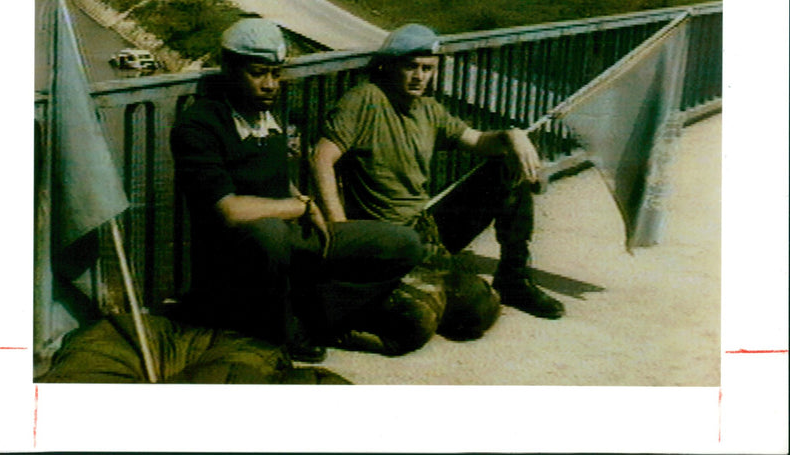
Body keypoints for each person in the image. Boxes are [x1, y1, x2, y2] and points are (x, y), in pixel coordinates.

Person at [170, 18, 424, 362]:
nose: (271, 85)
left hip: (289, 234)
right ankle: (279, 333)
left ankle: (312, 317)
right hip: (238, 255)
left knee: (402, 245)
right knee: (269, 234)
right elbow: (228, 210)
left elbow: (276, 177)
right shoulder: (200, 125)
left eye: (277, 73)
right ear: (229, 68)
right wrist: (300, 208)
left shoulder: (268, 116)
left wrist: (302, 199)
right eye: (258, 73)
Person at [312, 23, 565, 321]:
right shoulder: (365, 99)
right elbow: (321, 158)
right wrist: (341, 232)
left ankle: (513, 278)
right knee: (477, 311)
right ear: (391, 66)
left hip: (426, 229)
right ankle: (422, 290)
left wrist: (513, 136)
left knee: (503, 167)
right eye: (411, 67)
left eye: (428, 68)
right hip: (386, 238)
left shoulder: (428, 109)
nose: (420, 76)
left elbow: (477, 141)